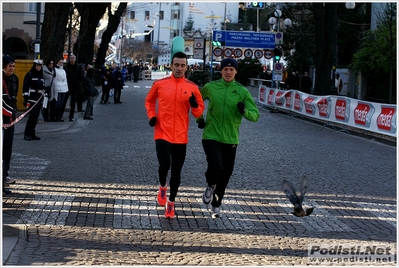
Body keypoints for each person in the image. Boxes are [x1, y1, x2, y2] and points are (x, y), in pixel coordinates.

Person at [144, 51, 205, 219]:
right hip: (162, 132)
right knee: (164, 165)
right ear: (171, 65)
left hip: (180, 136)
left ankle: (170, 204)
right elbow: (149, 101)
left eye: (182, 65)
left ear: (187, 67)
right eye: (176, 65)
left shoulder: (192, 87)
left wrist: (194, 106)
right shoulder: (160, 84)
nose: (179, 68)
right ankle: (162, 186)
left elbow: (199, 112)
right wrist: (152, 116)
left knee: (177, 171)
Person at [197, 58, 259, 218]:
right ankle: (210, 185)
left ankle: (216, 204)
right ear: (221, 71)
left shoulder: (242, 91)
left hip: (231, 139)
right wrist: (199, 119)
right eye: (225, 69)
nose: (228, 72)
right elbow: (197, 103)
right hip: (211, 134)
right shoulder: (211, 87)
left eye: (232, 70)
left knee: (225, 174)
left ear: (236, 72)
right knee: (216, 166)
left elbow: (255, 116)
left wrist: (244, 111)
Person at [2, 54, 18, 194]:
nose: (12, 69)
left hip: (11, 119)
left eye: (13, 66)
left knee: (7, 151)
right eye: (9, 66)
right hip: (3, 120)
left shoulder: (14, 79)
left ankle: (5, 176)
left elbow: (12, 99)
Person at [22, 59, 45, 141]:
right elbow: (26, 87)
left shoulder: (41, 75)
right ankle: (27, 133)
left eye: (39, 66)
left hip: (39, 98)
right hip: (32, 98)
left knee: (36, 117)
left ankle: (32, 133)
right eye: (37, 66)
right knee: (32, 116)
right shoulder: (30, 75)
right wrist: (25, 99)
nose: (38, 68)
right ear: (34, 66)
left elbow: (42, 87)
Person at [65, 54, 84, 122]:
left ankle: (71, 116)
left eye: (73, 58)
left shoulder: (78, 67)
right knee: (64, 101)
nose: (72, 59)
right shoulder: (67, 67)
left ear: (75, 59)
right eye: (71, 58)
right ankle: (59, 115)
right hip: (67, 86)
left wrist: (78, 83)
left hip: (75, 87)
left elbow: (81, 77)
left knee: (73, 103)